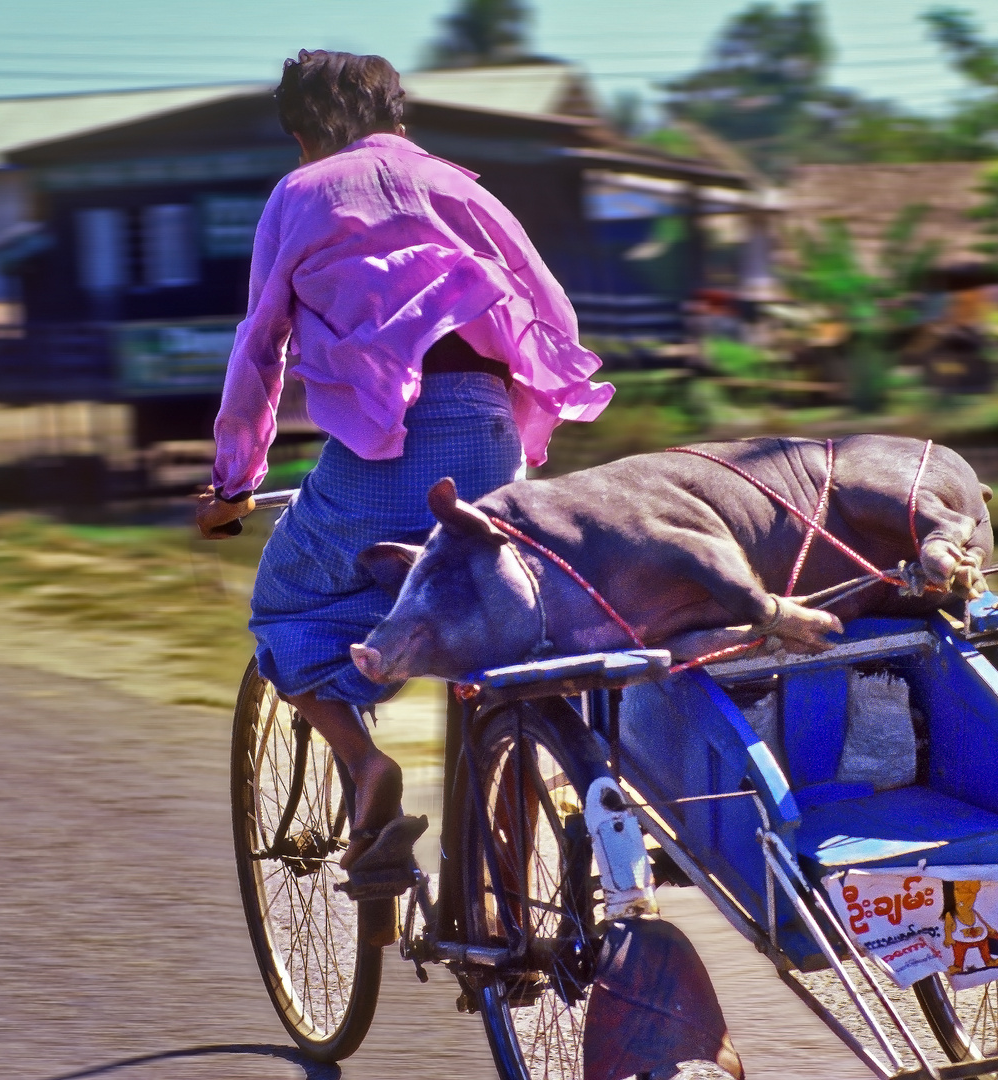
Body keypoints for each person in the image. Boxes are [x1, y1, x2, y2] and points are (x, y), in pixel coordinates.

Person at [196, 50, 612, 931]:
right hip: (490, 439)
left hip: (384, 456)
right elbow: (547, 310)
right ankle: (503, 897)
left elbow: (260, 343)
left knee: (288, 607)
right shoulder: (460, 187)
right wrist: (530, 416)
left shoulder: (299, 194)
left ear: (303, 132)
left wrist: (234, 482)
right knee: (498, 660)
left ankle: (364, 766)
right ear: (395, 115)